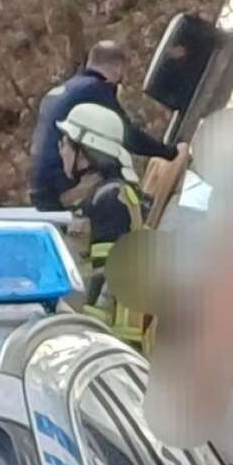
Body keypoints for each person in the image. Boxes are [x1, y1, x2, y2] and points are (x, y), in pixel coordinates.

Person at [31, 40, 180, 211]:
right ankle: (138, 209)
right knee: (109, 156)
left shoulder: (66, 90)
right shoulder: (95, 89)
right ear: (117, 68)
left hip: (40, 189)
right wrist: (170, 153)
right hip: (63, 190)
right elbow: (127, 135)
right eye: (122, 72)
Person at [57, 105, 150, 348]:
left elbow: (104, 280)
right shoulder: (102, 196)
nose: (61, 150)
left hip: (107, 344)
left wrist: (87, 335)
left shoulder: (109, 199)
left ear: (86, 150)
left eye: (66, 143)